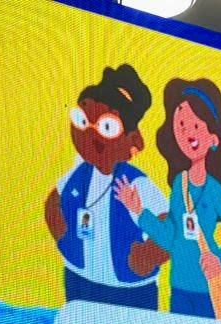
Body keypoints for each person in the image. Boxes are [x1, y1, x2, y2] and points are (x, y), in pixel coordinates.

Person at [46, 64, 166, 311]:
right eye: (82, 120)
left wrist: (146, 257)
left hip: (130, 291)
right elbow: (54, 201)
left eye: (107, 127)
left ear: (133, 141)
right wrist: (63, 236)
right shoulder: (78, 175)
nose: (90, 134)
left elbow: (168, 227)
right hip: (80, 280)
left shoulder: (135, 183)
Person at [118, 77, 221, 319]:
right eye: (180, 124)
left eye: (196, 125)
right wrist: (139, 212)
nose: (187, 132)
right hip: (179, 287)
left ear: (214, 139)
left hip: (209, 288)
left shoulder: (215, 190)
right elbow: (170, 238)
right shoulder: (178, 185)